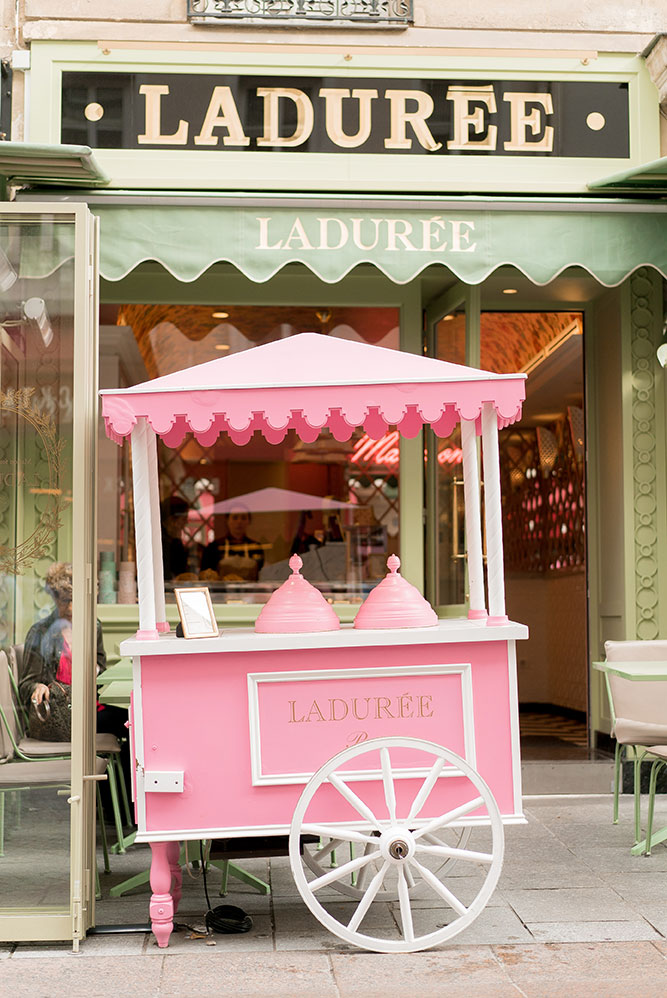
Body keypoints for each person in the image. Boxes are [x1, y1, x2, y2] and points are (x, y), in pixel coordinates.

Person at [19, 561, 126, 743]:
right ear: (54, 598)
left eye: (75, 600)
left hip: (89, 709)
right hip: (59, 715)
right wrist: (38, 687)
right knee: (125, 723)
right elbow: (25, 686)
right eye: (64, 600)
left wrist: (95, 670)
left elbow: (101, 672)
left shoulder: (93, 626)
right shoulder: (41, 632)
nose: (70, 608)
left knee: (131, 722)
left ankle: (123, 770)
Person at [201, 507, 265, 581]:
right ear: (227, 521)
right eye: (235, 518)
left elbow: (261, 575)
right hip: (221, 591)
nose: (239, 522)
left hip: (250, 591)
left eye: (243, 518)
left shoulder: (256, 547)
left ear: (249, 521)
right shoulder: (213, 547)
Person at [160, 495, 190, 580]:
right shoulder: (163, 541)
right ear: (172, 520)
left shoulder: (173, 540)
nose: (186, 523)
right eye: (183, 519)